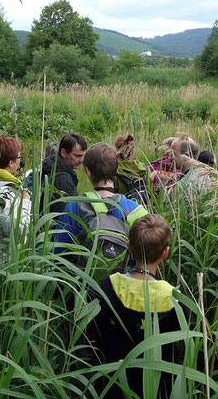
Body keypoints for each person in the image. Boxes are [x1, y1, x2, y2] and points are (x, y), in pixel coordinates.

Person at [94, 214, 182, 398]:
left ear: (129, 247)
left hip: (114, 382)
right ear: (165, 252)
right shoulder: (172, 296)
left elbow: (97, 332)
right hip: (158, 387)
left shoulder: (108, 285)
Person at [54, 143, 148, 266]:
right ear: (116, 170)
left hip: (83, 281)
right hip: (124, 282)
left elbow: (59, 251)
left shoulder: (75, 205)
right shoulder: (135, 211)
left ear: (88, 171)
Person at [40, 133, 87, 213]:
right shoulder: (62, 179)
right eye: (77, 156)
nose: (81, 160)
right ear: (63, 153)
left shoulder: (49, 168)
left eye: (83, 156)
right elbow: (64, 216)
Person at [114, 134, 149, 203]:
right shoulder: (145, 169)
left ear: (117, 150)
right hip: (145, 210)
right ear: (133, 149)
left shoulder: (114, 171)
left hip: (124, 210)